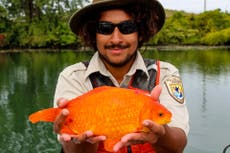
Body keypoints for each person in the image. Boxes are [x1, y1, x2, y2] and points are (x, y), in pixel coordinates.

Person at [53, 0, 189, 153]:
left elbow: (178, 145)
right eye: (105, 28)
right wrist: (79, 137)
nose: (116, 39)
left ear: (140, 31)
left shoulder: (165, 73)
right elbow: (71, 149)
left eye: (127, 27)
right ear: (93, 33)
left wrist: (160, 133)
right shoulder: (72, 77)